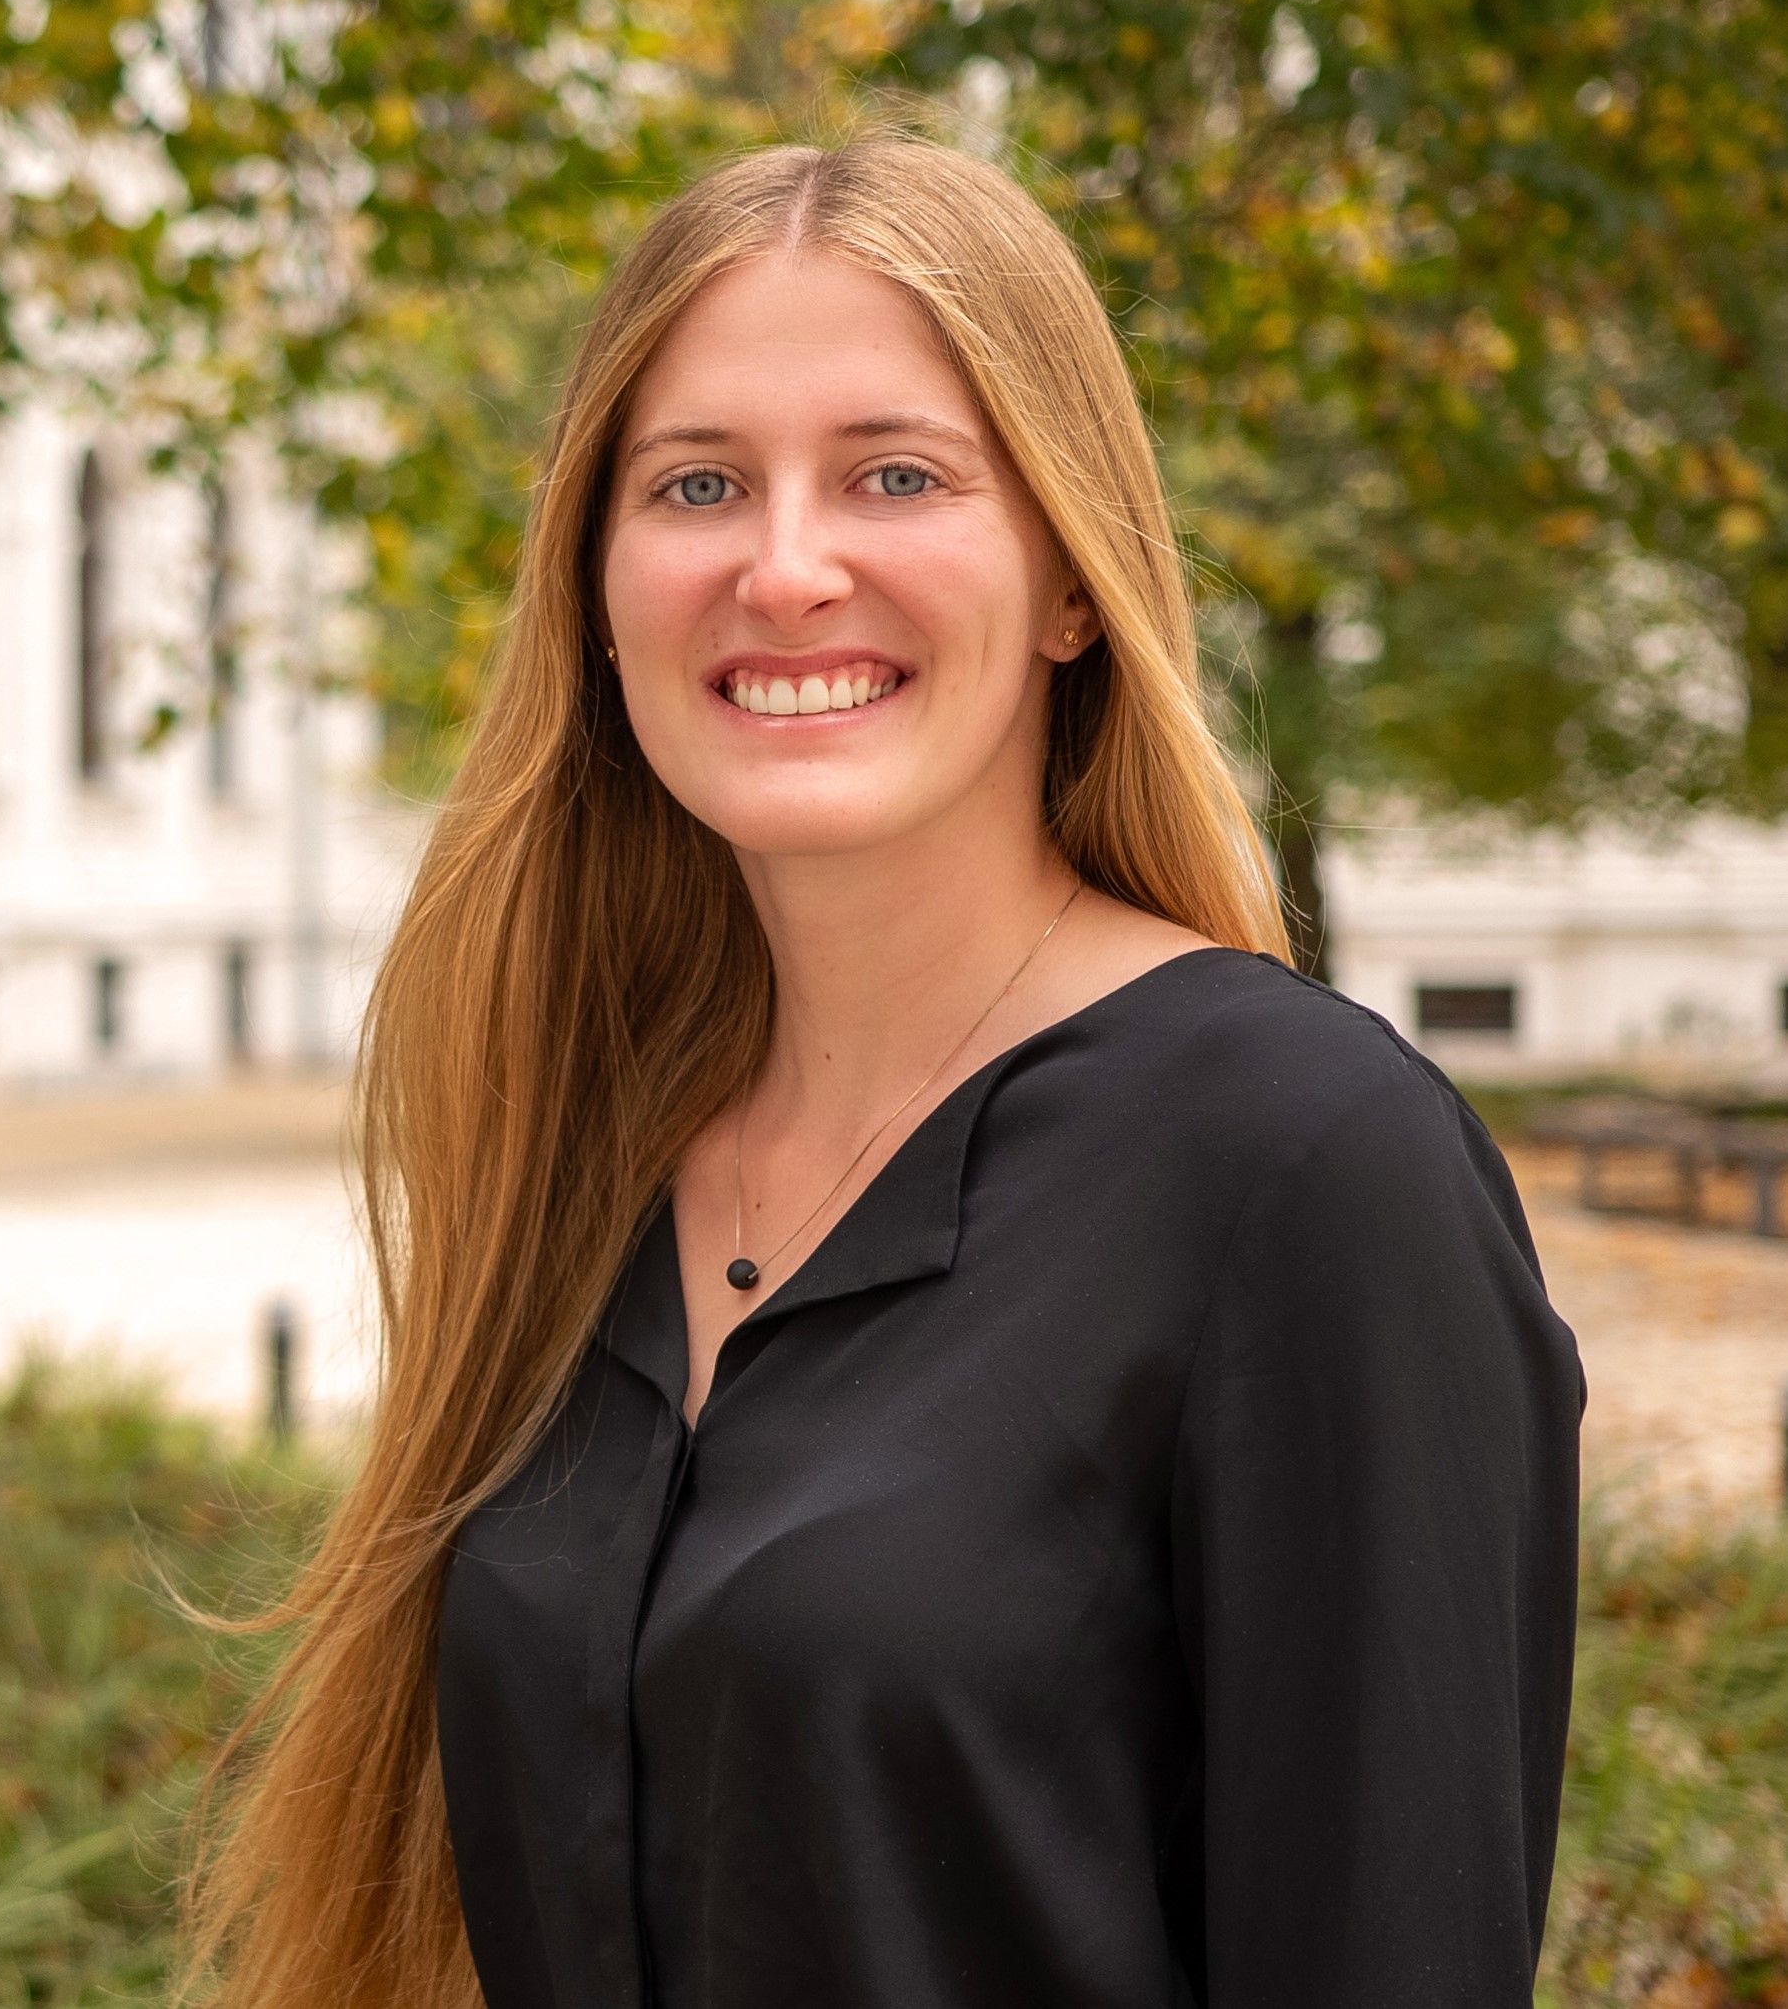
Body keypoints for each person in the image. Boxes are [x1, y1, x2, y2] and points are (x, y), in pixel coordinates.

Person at [187, 138, 1584, 2009]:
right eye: (695, 484)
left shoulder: (1306, 1168)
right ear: (598, 593)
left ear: (1072, 581)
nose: (783, 568)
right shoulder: (584, 1151)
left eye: (895, 474)